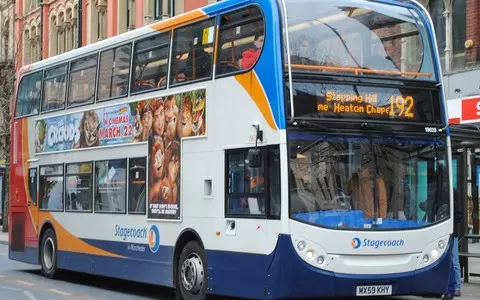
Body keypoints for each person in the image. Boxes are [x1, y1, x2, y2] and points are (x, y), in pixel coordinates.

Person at [443, 188, 462, 299]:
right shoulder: (440, 191)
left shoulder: (454, 192)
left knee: (454, 260)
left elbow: (458, 214)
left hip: (452, 232)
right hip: (444, 231)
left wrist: (451, 224)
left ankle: (457, 287)